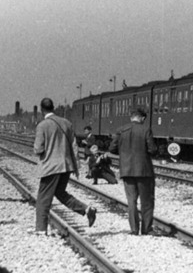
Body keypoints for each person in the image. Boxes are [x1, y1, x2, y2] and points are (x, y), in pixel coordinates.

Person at [33, 97, 96, 234]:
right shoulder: (67, 123)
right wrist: (76, 166)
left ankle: (40, 229)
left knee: (43, 198)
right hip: (66, 166)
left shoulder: (42, 125)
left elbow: (38, 149)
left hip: (51, 167)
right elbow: (74, 146)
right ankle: (86, 209)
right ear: (53, 107)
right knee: (60, 193)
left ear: (42, 110)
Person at [109, 106, 156, 235]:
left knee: (131, 201)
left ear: (131, 117)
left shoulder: (121, 130)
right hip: (144, 170)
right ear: (142, 118)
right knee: (147, 200)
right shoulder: (146, 129)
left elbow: (112, 149)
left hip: (127, 170)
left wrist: (124, 153)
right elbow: (152, 149)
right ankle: (146, 229)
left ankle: (134, 229)